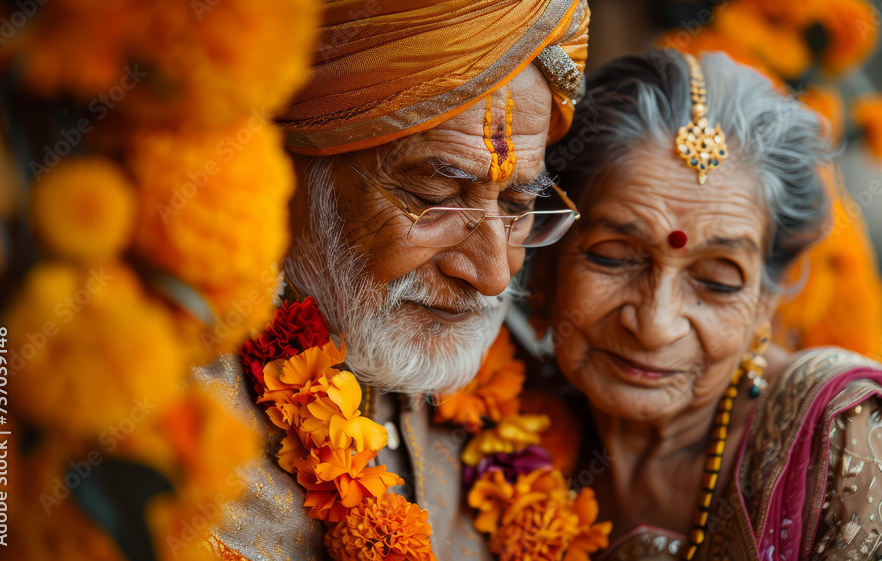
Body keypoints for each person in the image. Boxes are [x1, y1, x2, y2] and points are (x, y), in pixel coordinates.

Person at [536, 49, 882, 560]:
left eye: (718, 282)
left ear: (769, 298)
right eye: (613, 258)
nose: (655, 325)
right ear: (548, 256)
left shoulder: (856, 447)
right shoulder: (506, 418)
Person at [190, 1, 590, 560]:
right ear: (288, 168)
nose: (494, 275)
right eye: (435, 200)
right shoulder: (161, 418)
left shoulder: (538, 408)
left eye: (519, 206)